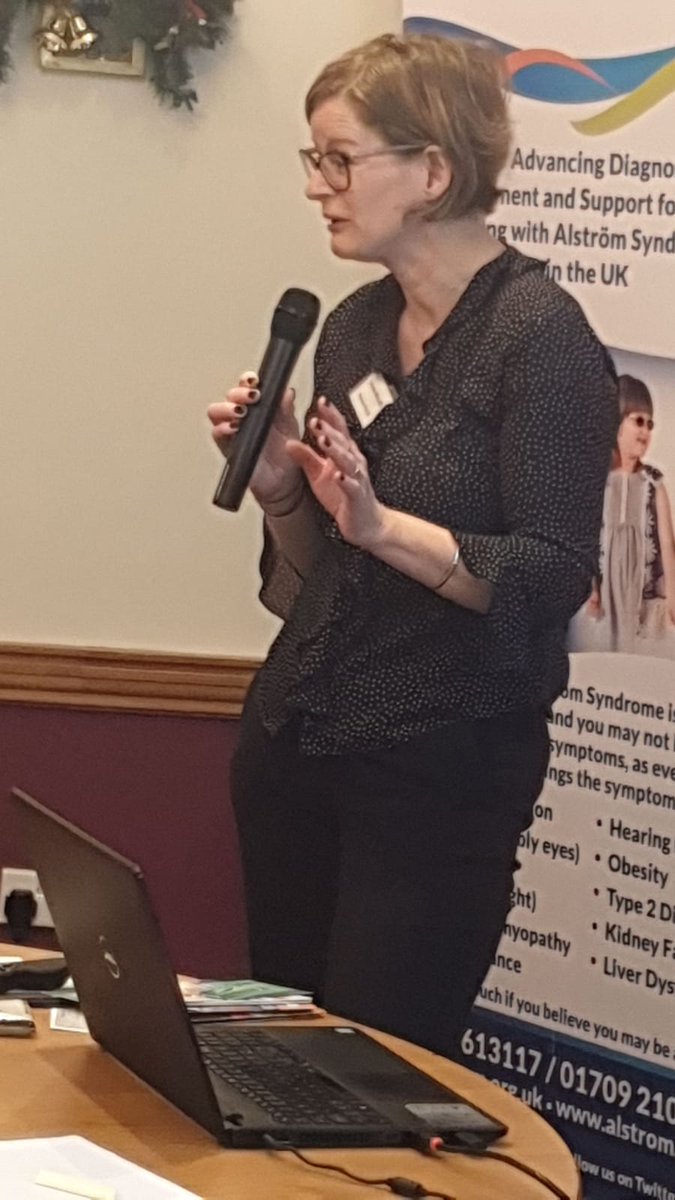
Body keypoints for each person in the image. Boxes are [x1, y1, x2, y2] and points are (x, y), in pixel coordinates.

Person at [207, 33, 617, 1058]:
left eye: (339, 160)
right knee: (283, 1070)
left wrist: (385, 527)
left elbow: (549, 574)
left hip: (438, 773)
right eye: (314, 159)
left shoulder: (541, 338)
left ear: (433, 171)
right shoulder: (352, 326)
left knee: (375, 1083)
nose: (317, 187)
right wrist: (281, 490)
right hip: (296, 750)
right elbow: (322, 574)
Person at [586, 374, 675, 652]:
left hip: (640, 594)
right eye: (638, 421)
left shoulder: (653, 484)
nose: (645, 431)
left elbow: (667, 544)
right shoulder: (597, 480)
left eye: (650, 424)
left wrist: (673, 595)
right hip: (605, 592)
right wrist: (592, 589)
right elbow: (586, 538)